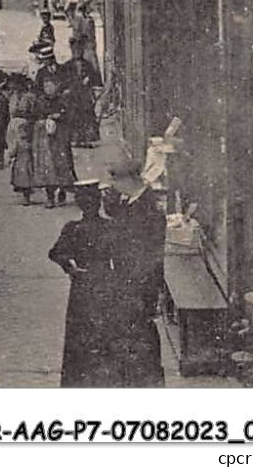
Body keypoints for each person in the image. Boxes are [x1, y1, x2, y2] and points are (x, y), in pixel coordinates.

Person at [47, 179, 118, 386]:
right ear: (98, 203)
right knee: (105, 333)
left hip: (81, 286)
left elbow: (54, 253)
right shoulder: (109, 227)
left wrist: (71, 269)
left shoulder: (73, 229)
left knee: (79, 335)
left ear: (79, 204)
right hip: (105, 283)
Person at [103, 159, 166, 386]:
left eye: (115, 180)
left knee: (140, 333)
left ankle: (146, 381)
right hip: (130, 281)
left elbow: (149, 254)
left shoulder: (147, 208)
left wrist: (135, 287)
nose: (112, 185)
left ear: (128, 180)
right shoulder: (132, 201)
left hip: (139, 283)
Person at [33, 73, 77, 207]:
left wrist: (60, 116)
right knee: (48, 166)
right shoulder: (40, 100)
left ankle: (62, 191)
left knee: (63, 164)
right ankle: (50, 196)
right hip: (45, 138)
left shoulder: (62, 100)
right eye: (45, 86)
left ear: (56, 86)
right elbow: (35, 115)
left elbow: (70, 115)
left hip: (61, 137)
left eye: (50, 85)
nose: (47, 88)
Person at [5, 75, 42, 205]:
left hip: (24, 127)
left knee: (25, 160)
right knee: (23, 160)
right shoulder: (15, 96)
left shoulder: (27, 97)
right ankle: (27, 190)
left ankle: (27, 191)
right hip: (17, 127)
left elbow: (31, 112)